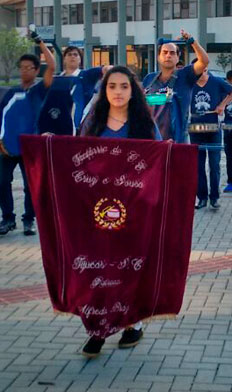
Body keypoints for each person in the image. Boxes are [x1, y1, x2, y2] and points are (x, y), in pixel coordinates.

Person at [78, 66, 162, 358]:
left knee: (129, 265)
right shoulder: (93, 122)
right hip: (98, 210)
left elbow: (159, 160)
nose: (117, 91)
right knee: (99, 267)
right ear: (104, 91)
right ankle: (97, 328)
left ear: (132, 90)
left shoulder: (144, 125)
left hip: (135, 209)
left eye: (123, 86)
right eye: (111, 86)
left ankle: (131, 324)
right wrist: (51, 145)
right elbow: (75, 158)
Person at [0, 30, 55, 236]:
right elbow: (0, 116)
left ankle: (29, 220)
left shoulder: (40, 90)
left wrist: (40, 42)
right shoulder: (11, 92)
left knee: (30, 186)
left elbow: (53, 65)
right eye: (22, 68)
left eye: (29, 68)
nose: (25, 71)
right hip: (9, 145)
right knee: (3, 183)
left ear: (37, 70)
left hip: (30, 145)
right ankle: (7, 220)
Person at [142, 30, 210, 143]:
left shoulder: (186, 75)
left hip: (178, 141)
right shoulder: (149, 79)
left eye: (172, 53)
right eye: (165, 52)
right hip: (153, 140)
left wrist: (192, 42)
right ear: (158, 57)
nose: (168, 55)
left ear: (178, 57)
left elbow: (204, 61)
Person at [189, 60, 232, 210]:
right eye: (197, 72)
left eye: (203, 71)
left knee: (214, 164)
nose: (201, 75)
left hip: (213, 128)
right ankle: (202, 197)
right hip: (195, 128)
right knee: (198, 166)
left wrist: (222, 105)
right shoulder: (190, 83)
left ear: (206, 69)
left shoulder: (216, 82)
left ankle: (214, 197)